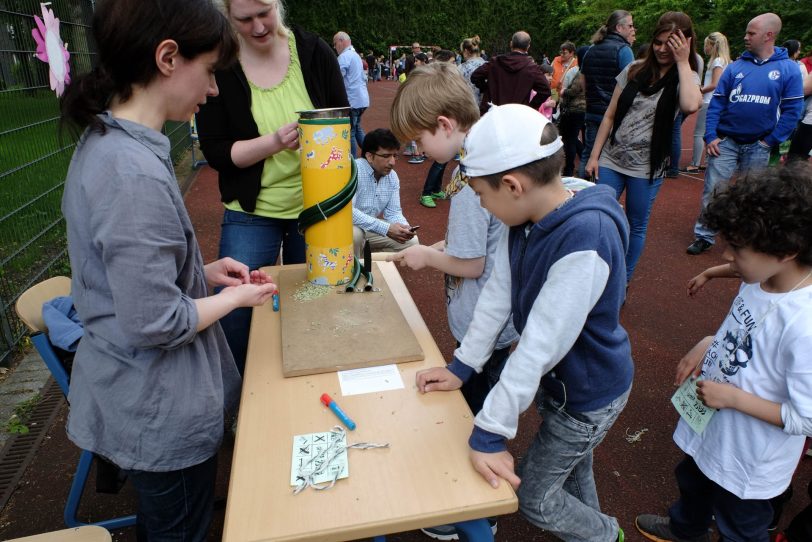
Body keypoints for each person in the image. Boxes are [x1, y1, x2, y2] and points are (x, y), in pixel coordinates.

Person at [58, 0, 277, 537]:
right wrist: (234, 299)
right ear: (168, 58)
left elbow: (126, 278)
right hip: (160, 413)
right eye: (209, 71)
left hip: (144, 398)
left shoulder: (114, 143)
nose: (214, 90)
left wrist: (200, 273)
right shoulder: (131, 173)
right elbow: (154, 320)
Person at [415, 103, 632, 542]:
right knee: (572, 470)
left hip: (588, 395)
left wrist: (490, 433)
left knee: (534, 497)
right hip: (566, 386)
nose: (481, 204)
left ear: (512, 185)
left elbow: (538, 346)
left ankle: (606, 535)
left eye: (480, 194)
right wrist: (463, 365)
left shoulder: (584, 240)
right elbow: (497, 294)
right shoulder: (530, 213)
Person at [635, 161, 812, 542]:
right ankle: (686, 531)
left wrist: (733, 398)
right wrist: (709, 337)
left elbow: (807, 419)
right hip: (713, 432)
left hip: (747, 461)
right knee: (692, 483)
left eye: (736, 249)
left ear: (786, 251)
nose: (728, 255)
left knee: (739, 527)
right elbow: (749, 324)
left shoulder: (805, 325)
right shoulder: (767, 274)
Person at [196, 0, 348, 372]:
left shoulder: (314, 53)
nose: (258, 26)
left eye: (264, 13)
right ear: (227, 17)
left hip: (315, 211)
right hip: (251, 211)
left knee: (316, 304)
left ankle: (310, 387)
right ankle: (233, 407)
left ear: (277, 6)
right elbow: (217, 152)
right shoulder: (221, 66)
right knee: (236, 313)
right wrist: (275, 143)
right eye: (244, 20)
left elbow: (341, 123)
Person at [586, 12, 703, 284]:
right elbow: (610, 115)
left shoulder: (687, 77)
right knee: (601, 217)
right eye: (658, 42)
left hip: (646, 166)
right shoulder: (634, 69)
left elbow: (689, 105)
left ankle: (621, 281)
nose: (662, 50)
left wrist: (683, 61)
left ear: (684, 43)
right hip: (612, 159)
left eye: (670, 44)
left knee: (636, 224)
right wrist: (594, 156)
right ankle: (594, 274)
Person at [686, 13, 804, 256]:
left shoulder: (789, 69)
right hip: (726, 142)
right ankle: (705, 235)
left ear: (769, 35)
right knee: (714, 190)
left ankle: (745, 240)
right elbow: (717, 103)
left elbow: (793, 110)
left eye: (751, 33)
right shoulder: (736, 67)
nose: (745, 37)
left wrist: (770, 141)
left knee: (754, 197)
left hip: (759, 144)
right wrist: (710, 135)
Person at [579, 10, 636, 178]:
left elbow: (583, 82)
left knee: (589, 154)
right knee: (608, 160)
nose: (634, 29)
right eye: (630, 25)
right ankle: (601, 196)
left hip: (592, 110)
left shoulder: (590, 49)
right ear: (619, 27)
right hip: (613, 114)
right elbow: (631, 85)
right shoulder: (624, 50)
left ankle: (583, 194)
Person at [352, 129, 418, 257]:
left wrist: (404, 228)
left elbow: (393, 212)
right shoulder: (352, 171)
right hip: (347, 227)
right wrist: (386, 229)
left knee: (411, 243)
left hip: (371, 228)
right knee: (356, 235)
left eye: (394, 155)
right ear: (369, 156)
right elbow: (348, 213)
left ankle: (364, 259)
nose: (392, 162)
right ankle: (354, 269)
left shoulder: (392, 177)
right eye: (386, 156)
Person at [470, 31, 551, 115]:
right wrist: (530, 107)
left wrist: (486, 88)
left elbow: (475, 76)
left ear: (511, 44)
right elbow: (546, 90)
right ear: (528, 47)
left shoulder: (496, 62)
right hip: (516, 116)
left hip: (493, 114)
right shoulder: (532, 68)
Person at [684, 32, 731, 173]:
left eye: (706, 45)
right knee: (712, 132)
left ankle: (695, 163)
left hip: (710, 100)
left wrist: (699, 90)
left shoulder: (717, 61)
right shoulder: (727, 61)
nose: (705, 48)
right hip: (721, 101)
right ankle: (706, 161)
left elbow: (715, 83)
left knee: (699, 133)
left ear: (712, 45)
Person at [417, 49, 457, 208]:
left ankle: (435, 189)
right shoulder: (434, 76)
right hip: (438, 119)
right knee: (441, 159)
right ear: (445, 61)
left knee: (445, 158)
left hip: (446, 118)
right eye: (453, 62)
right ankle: (426, 193)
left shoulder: (444, 75)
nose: (455, 65)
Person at [334, 32, 370, 157]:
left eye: (335, 43)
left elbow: (337, 78)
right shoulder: (355, 55)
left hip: (352, 100)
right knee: (357, 128)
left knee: (351, 132)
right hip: (362, 99)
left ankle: (353, 161)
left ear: (341, 41)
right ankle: (371, 153)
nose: (334, 47)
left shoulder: (344, 57)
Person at [558, 63, 586, 176]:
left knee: (570, 140)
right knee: (574, 139)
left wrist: (564, 91)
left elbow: (574, 90)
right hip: (585, 109)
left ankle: (569, 169)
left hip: (575, 109)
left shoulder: (581, 73)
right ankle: (583, 160)